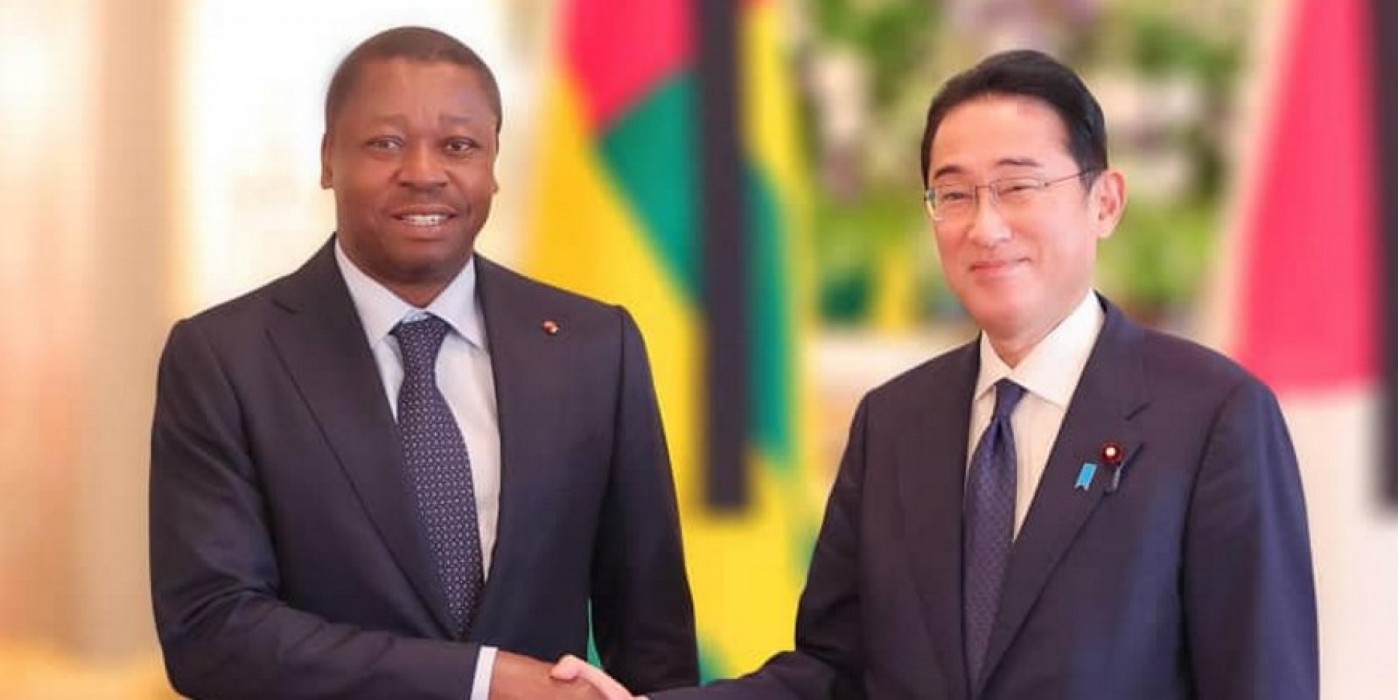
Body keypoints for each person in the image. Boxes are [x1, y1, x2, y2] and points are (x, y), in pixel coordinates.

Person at [555, 49, 1317, 699]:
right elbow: (832, 673)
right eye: (953, 194)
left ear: (1105, 201)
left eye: (1018, 186)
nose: (985, 226)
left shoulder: (1211, 417)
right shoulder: (895, 422)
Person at [150, 26, 698, 700]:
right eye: (385, 143)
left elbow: (651, 637)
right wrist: (482, 680)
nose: (423, 171)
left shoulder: (594, 347)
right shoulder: (225, 359)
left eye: (459, 146)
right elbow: (213, 634)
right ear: (327, 159)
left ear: (493, 163)